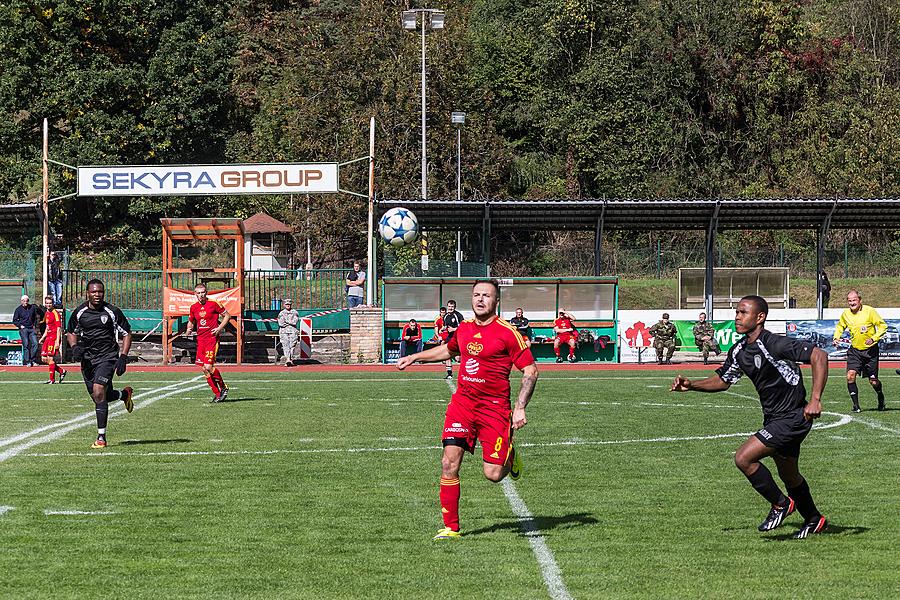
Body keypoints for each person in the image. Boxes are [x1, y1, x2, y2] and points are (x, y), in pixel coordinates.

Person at [672, 295, 828, 539]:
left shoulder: (774, 343)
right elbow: (723, 380)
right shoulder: (740, 350)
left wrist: (815, 399)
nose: (737, 317)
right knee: (790, 475)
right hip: (774, 419)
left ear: (760, 317)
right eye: (736, 312)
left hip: (793, 417)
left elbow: (819, 356)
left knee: (744, 458)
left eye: (743, 312)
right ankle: (814, 519)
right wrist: (692, 384)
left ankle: (781, 504)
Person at [396, 280, 538, 540]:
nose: (480, 299)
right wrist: (415, 357)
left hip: (494, 409)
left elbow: (530, 371)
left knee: (493, 474)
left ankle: (509, 454)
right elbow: (448, 350)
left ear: (496, 301)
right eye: (476, 295)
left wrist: (519, 408)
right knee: (449, 462)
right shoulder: (463, 329)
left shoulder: (508, 333)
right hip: (462, 405)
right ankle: (451, 528)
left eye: (486, 295)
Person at [66, 279, 134, 449]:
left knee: (98, 391)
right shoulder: (80, 312)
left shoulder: (112, 311)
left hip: (107, 357)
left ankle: (101, 437)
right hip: (88, 359)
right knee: (99, 397)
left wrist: (123, 357)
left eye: (100, 292)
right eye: (94, 292)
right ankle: (123, 395)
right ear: (87, 293)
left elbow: (127, 333)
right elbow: (71, 332)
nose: (97, 295)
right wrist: (74, 347)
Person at [833, 289, 886, 412]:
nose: (852, 303)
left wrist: (874, 338)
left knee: (873, 382)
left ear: (860, 300)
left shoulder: (869, 311)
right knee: (850, 376)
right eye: (849, 301)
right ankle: (856, 406)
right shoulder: (845, 314)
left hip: (870, 351)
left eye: (854, 300)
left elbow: (883, 326)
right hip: (855, 351)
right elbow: (840, 326)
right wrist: (836, 337)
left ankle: (880, 396)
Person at [185, 283, 232, 403]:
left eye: (203, 292)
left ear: (206, 293)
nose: (201, 295)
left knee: (208, 367)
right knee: (204, 369)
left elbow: (227, 316)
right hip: (201, 341)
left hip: (212, 339)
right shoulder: (193, 307)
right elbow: (191, 321)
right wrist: (188, 329)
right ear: (195, 294)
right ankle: (217, 394)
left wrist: (219, 328)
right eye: (198, 293)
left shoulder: (213, 304)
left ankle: (223, 387)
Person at [38, 295, 67, 384]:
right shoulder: (46, 313)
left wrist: (57, 341)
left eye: (50, 303)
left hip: (53, 338)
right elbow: (47, 327)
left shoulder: (56, 313)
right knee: (43, 358)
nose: (48, 305)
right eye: (47, 303)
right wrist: (42, 338)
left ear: (53, 303)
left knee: (50, 359)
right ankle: (61, 371)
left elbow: (59, 328)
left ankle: (52, 379)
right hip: (47, 338)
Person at [13, 294, 40, 367]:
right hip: (23, 329)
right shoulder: (18, 309)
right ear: (21, 301)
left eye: (27, 301)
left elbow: (35, 317)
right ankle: (27, 361)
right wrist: (20, 326)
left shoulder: (32, 308)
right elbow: (15, 320)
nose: (25, 302)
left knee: (35, 344)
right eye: (24, 301)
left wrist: (34, 325)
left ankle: (33, 360)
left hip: (31, 328)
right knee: (26, 345)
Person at [442, 300, 464, 379]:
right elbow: (445, 326)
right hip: (450, 337)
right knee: (447, 354)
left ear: (455, 307)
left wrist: (454, 329)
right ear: (447, 306)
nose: (450, 308)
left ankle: (464, 373)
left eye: (452, 307)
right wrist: (443, 328)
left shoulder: (458, 315)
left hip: (458, 337)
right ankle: (449, 374)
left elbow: (462, 327)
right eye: (449, 306)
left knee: (458, 358)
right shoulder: (446, 316)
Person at [277, 298, 300, 366]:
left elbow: (295, 322)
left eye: (289, 304)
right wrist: (290, 322)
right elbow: (281, 323)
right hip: (284, 331)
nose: (288, 305)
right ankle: (288, 359)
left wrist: (286, 321)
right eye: (286, 304)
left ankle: (290, 359)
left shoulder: (295, 312)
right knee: (285, 345)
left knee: (292, 345)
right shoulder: (281, 313)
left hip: (293, 331)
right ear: (284, 305)